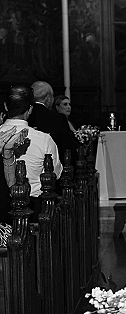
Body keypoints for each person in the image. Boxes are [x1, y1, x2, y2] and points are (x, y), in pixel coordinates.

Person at [2, 85, 62, 219]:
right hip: (35, 210)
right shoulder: (44, 139)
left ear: (6, 107)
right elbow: (56, 174)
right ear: (30, 110)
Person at [30, 80, 79, 161]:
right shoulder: (58, 118)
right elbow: (67, 147)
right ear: (48, 98)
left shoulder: (24, 116)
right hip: (53, 164)